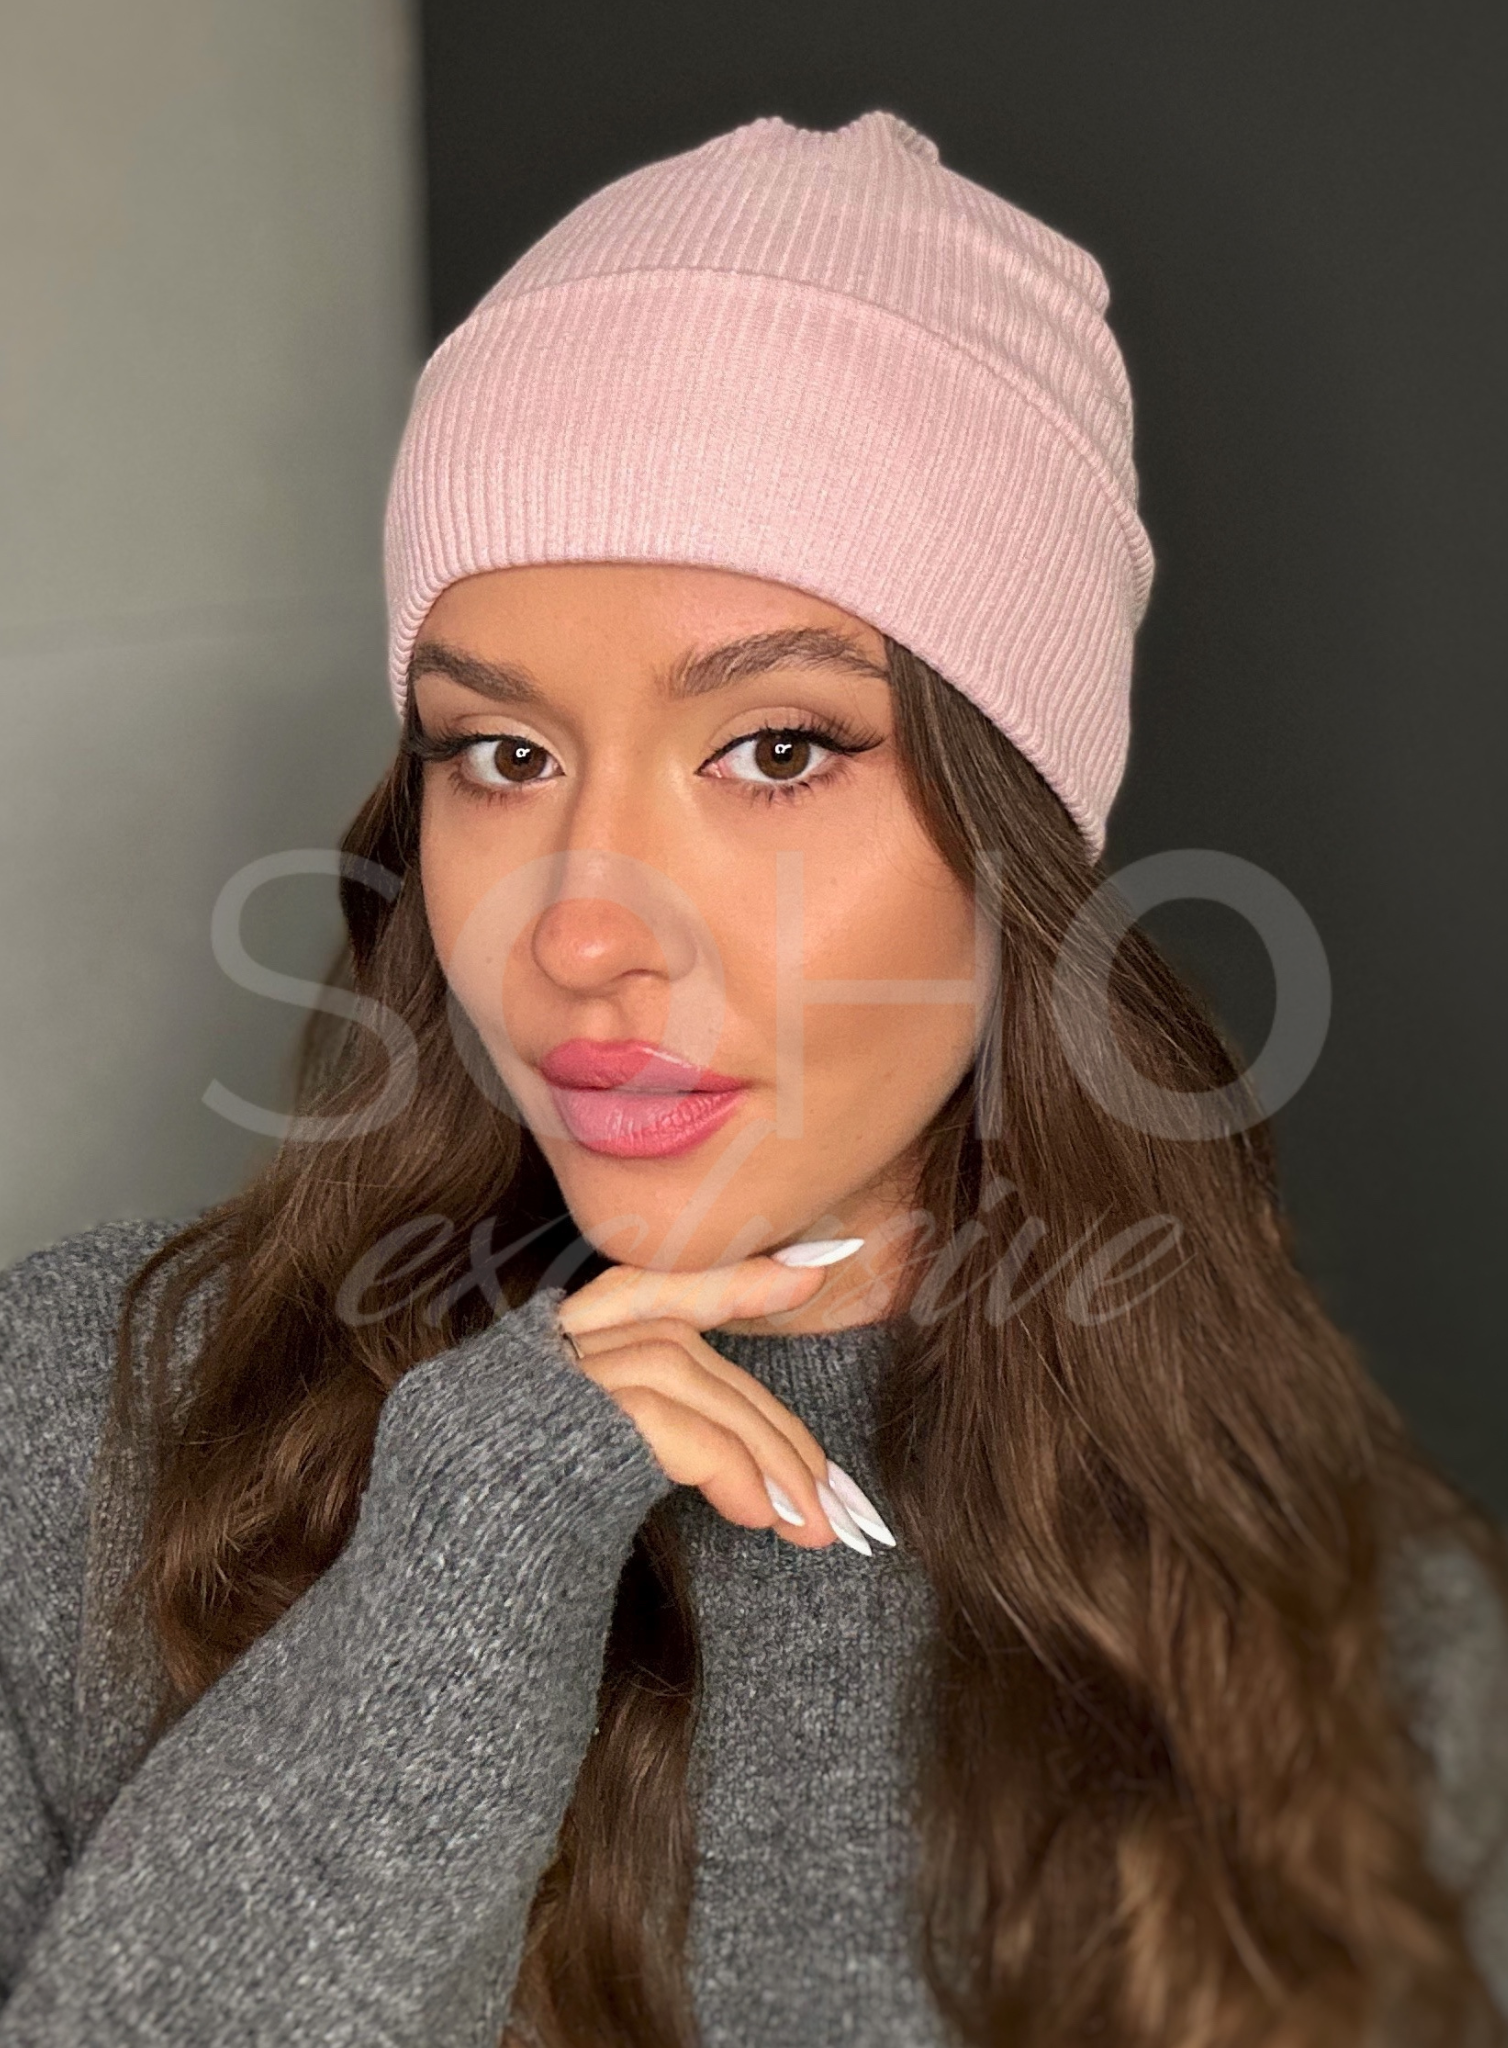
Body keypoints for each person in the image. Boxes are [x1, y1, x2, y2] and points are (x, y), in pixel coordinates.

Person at [1, 109, 1505, 2048]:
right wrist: (474, 1545)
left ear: (1019, 836)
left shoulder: (1360, 1621)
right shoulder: (83, 1434)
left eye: (777, 751)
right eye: (503, 756)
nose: (580, 934)